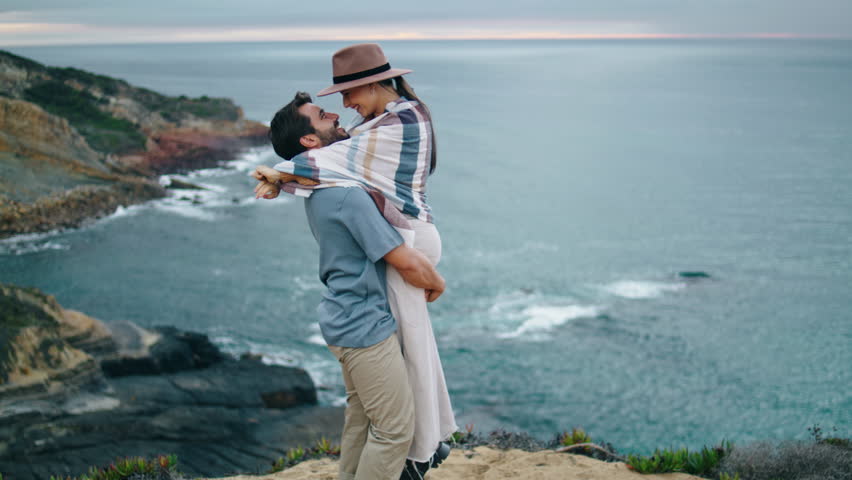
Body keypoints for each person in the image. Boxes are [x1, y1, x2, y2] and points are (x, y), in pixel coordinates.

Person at [254, 44, 456, 479]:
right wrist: (434, 282)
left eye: (346, 95)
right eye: (327, 114)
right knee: (395, 429)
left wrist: (282, 175)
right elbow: (403, 260)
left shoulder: (335, 175)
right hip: (364, 325)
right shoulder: (344, 193)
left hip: (344, 322)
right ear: (310, 142)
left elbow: (332, 160)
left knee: (362, 420)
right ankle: (426, 450)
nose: (342, 109)